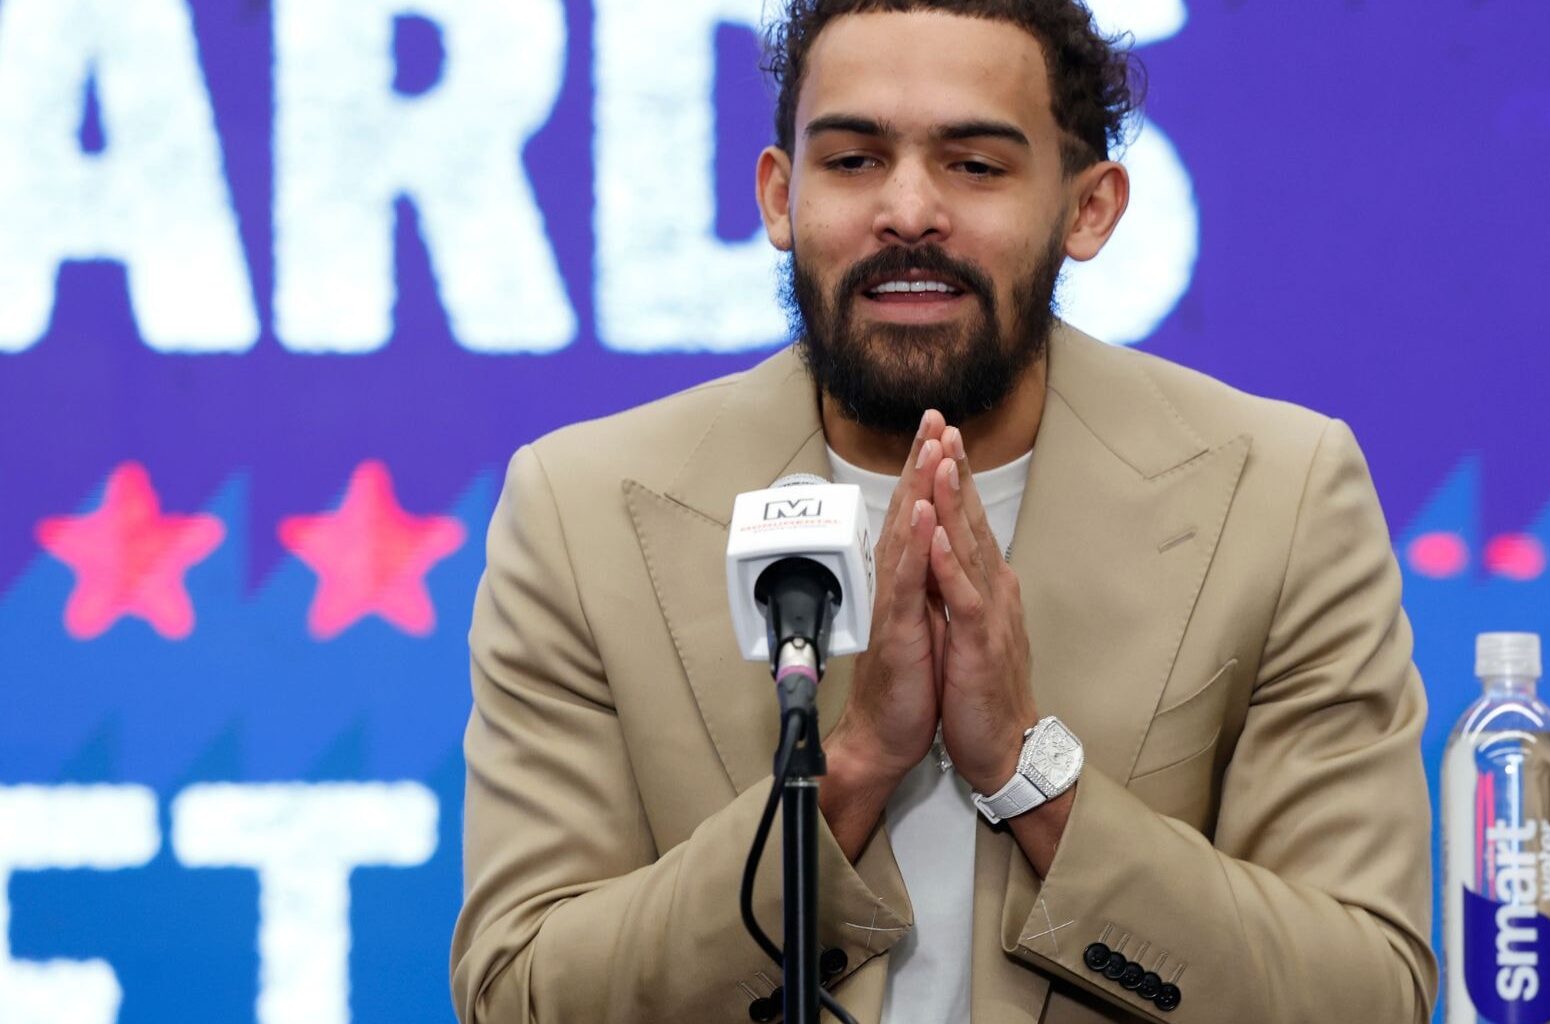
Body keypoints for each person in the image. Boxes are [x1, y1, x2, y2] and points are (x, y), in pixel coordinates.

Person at [450, 2, 1436, 1021]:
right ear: (781, 197)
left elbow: (1367, 992)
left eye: (975, 165)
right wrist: (849, 774)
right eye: (853, 160)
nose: (909, 210)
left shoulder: (1277, 497)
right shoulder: (582, 513)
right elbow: (520, 994)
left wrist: (1028, 770)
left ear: (1088, 209)